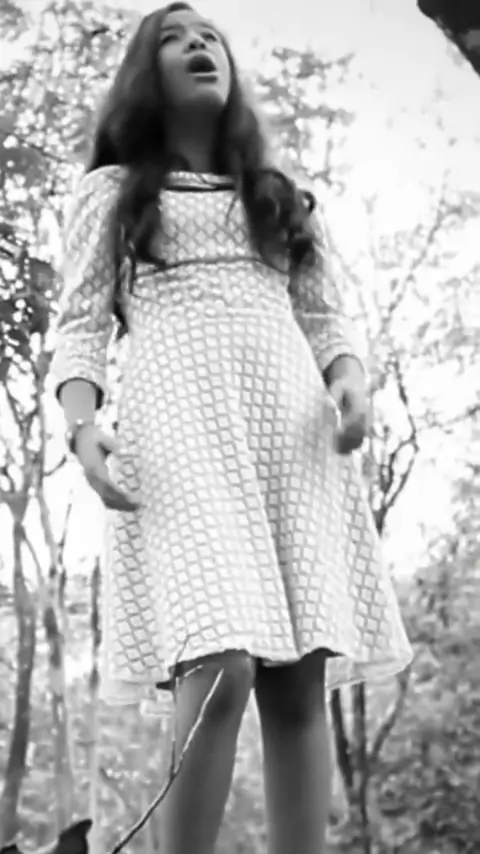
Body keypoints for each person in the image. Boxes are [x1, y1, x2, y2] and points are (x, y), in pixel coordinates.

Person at [51, 4, 413, 853]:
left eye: (210, 36)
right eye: (175, 39)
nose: (199, 45)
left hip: (290, 434)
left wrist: (349, 382)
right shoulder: (112, 193)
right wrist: (81, 425)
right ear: (145, 76)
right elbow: (80, 324)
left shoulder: (275, 196)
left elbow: (325, 316)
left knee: (299, 677)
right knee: (220, 666)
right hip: (178, 432)